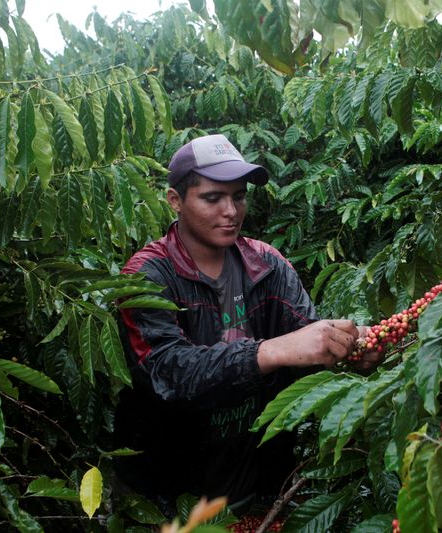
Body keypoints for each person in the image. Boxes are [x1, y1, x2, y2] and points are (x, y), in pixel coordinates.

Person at [113, 133, 376, 514]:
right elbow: (165, 373)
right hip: (166, 500)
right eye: (212, 198)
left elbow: (309, 338)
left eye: (238, 196)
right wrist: (268, 351)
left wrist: (352, 348)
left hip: (257, 491)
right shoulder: (146, 277)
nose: (231, 211)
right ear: (175, 201)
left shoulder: (267, 264)